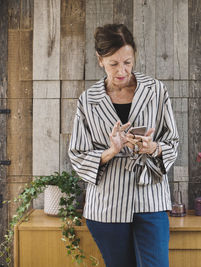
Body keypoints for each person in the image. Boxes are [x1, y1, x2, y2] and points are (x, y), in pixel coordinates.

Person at [68, 23, 179, 267]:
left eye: (127, 62)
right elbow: (77, 154)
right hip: (107, 205)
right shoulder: (88, 101)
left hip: (150, 198)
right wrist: (111, 151)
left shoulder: (156, 91)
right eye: (113, 64)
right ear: (100, 60)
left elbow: (172, 142)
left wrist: (152, 148)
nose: (122, 71)